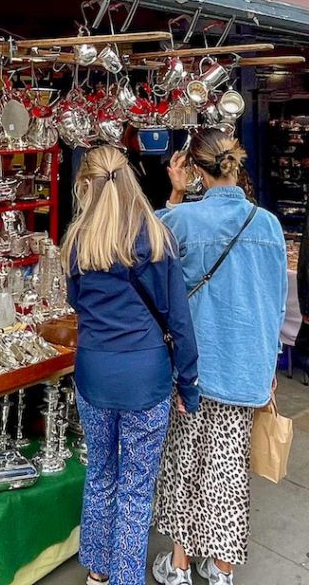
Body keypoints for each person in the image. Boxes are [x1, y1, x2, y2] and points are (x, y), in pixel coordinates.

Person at [152, 128, 287, 585]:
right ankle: (222, 569)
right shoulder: (267, 225)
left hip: (194, 367)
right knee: (228, 468)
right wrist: (269, 363)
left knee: (184, 462)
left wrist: (174, 191)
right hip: (247, 364)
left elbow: (144, 241)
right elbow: (276, 302)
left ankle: (179, 565)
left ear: (195, 168)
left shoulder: (183, 220)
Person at [62, 145, 199, 585]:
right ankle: (124, 578)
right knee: (136, 489)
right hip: (146, 376)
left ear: (85, 186)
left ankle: (98, 573)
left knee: (100, 473)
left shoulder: (77, 241)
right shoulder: (156, 237)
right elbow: (178, 320)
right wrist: (189, 385)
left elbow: (76, 303)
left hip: (94, 373)